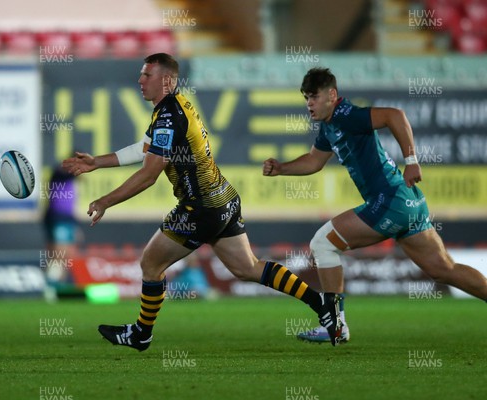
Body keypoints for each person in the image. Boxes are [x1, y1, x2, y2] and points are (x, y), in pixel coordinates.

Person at [62, 53, 342, 350]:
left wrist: (105, 200)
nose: (140, 81)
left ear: (166, 81)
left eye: (147, 75)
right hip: (224, 200)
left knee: (150, 264)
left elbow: (149, 174)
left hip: (200, 209)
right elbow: (144, 149)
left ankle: (141, 334)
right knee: (247, 268)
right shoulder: (173, 107)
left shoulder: (169, 115)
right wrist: (97, 162)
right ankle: (322, 303)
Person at [263, 67, 487, 344]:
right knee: (444, 270)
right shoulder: (329, 126)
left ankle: (336, 325)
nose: (309, 103)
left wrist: (412, 161)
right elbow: (314, 161)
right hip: (408, 201)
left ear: (332, 95)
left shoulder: (347, 115)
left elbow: (395, 116)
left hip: (390, 200)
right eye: (306, 98)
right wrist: (281, 168)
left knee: (323, 244)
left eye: (314, 96)